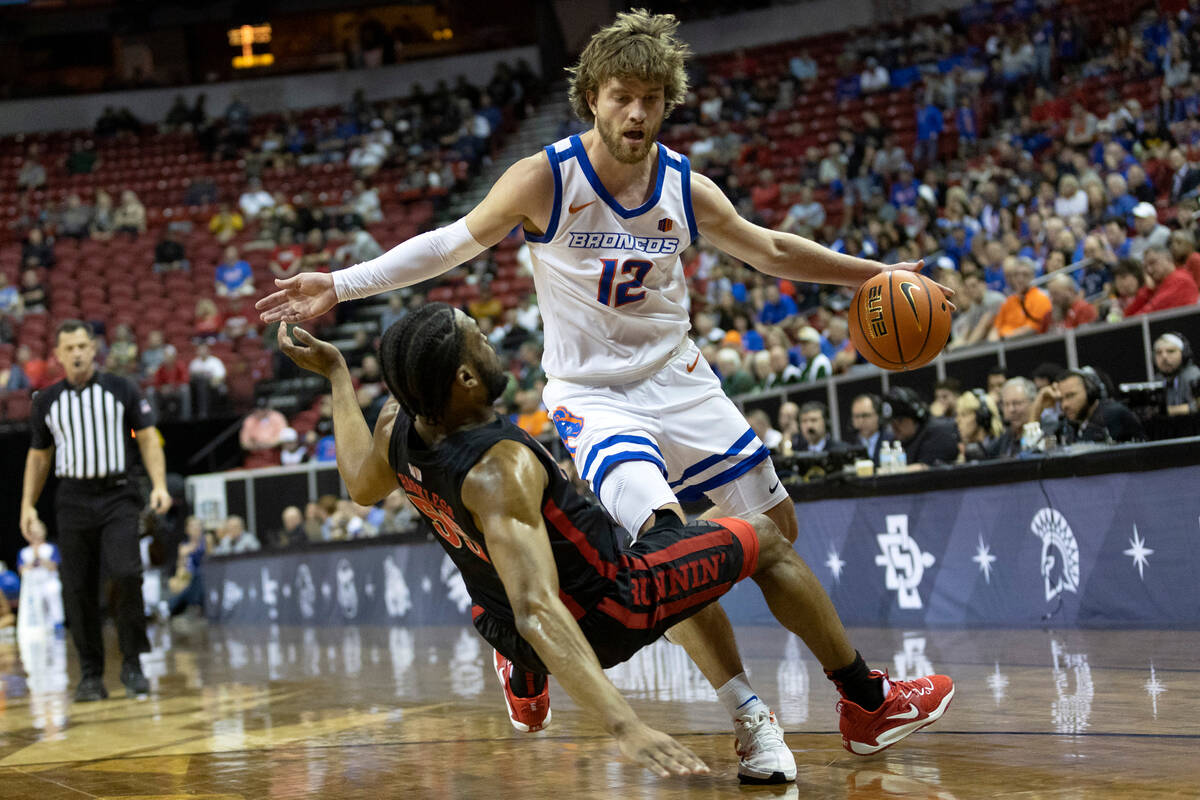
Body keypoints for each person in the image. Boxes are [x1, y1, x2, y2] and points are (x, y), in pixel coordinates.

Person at [257, 11, 950, 780]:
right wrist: (341, 285)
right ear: (592, 97)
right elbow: (450, 242)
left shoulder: (684, 185)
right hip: (593, 395)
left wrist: (884, 276)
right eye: (622, 96)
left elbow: (774, 249)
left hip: (680, 380)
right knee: (666, 547)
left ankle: (853, 700)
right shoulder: (545, 178)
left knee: (776, 529)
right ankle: (752, 717)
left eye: (652, 98)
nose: (637, 114)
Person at [275, 307, 954, 781]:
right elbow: (543, 610)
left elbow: (362, 486)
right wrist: (623, 724)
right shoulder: (498, 468)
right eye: (478, 339)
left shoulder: (401, 424)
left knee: (559, 569)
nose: (491, 342)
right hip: (609, 608)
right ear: (465, 380)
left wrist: (337, 377)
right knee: (767, 541)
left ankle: (525, 673)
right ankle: (869, 703)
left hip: (498, 622)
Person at [19, 320, 172, 702]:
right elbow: (39, 457)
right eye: (68, 347)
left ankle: (133, 663)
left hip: (118, 494)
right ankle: (90, 674)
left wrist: (159, 485)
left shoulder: (121, 388)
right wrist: (27, 505)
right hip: (72, 498)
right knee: (77, 588)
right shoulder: (46, 401)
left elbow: (150, 438)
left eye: (83, 346)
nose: (76, 353)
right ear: (57, 355)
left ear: (94, 349)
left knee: (125, 573)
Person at [1030, 369, 1145, 444]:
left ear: (1091, 392)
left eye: (1071, 396)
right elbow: (1031, 452)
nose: (1065, 405)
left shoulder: (1112, 414)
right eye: (1061, 399)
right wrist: (1036, 410)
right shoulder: (1068, 424)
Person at [883, 387, 959, 468]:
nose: (894, 427)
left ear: (916, 417)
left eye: (899, 420)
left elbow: (927, 469)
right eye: (891, 422)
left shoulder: (936, 432)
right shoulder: (894, 442)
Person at [1125, 246, 1199, 316]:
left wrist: (1147, 291)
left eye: (1153, 263)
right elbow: (1127, 315)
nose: (1149, 270)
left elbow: (1148, 313)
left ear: (1168, 259)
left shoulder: (1180, 280)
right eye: (1145, 267)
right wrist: (1148, 290)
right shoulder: (1158, 285)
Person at [988, 257, 1051, 340]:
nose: (1020, 279)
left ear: (1032, 276)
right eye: (1016, 275)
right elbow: (996, 327)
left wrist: (1007, 338)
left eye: (1025, 275)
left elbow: (1033, 328)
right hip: (1004, 345)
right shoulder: (1008, 302)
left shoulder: (1041, 298)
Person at [1153, 333, 1200, 416]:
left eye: (1170, 351)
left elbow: (1197, 406)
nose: (1164, 357)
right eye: (1159, 353)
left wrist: (1169, 411)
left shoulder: (1193, 375)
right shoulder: (1158, 379)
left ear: (1184, 354)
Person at [992, 377, 1037, 457]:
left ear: (1032, 403)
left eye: (1017, 403)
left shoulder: (1047, 430)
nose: (1011, 409)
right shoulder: (1003, 441)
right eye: (1006, 404)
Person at [955, 389, 1003, 462]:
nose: (957, 421)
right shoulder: (965, 451)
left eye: (964, 415)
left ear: (980, 417)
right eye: (957, 415)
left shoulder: (1000, 450)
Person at [849, 393, 892, 464]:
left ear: (879, 416)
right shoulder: (850, 447)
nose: (861, 421)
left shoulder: (892, 441)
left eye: (865, 415)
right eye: (857, 416)